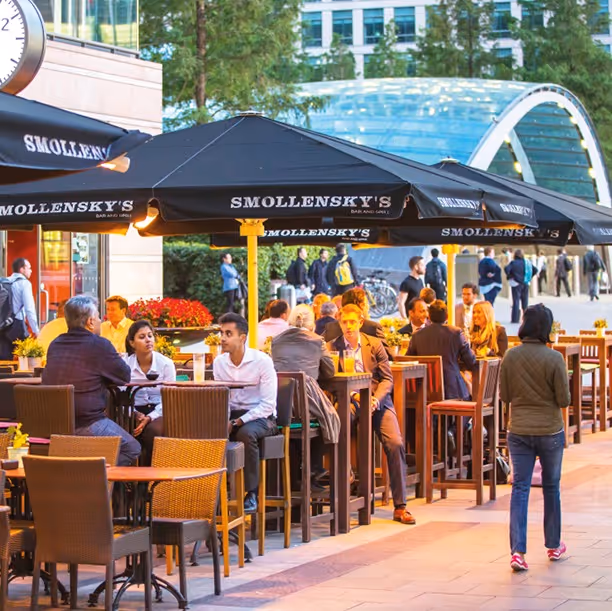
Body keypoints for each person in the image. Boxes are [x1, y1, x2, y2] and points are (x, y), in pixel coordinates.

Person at [327, 304, 415, 525]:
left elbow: (387, 378)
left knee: (395, 442)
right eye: (344, 322)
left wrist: (375, 398)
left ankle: (400, 505)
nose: (348, 326)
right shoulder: (331, 347)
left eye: (352, 321)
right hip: (350, 400)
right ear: (340, 323)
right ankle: (345, 485)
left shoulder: (373, 344)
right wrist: (354, 397)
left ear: (360, 321)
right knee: (339, 427)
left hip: (377, 401)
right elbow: (330, 381)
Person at [501, 304, 570, 572]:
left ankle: (517, 552)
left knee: (520, 488)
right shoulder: (555, 359)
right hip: (550, 431)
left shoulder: (510, 356)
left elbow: (505, 396)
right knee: (552, 487)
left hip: (518, 430)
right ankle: (553, 545)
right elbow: (563, 399)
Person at [42, 296, 140, 466]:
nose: (101, 320)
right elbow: (124, 376)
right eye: (99, 317)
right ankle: (93, 479)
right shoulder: (99, 345)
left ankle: (81, 476)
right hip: (87, 424)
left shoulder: (55, 344)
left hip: (54, 425)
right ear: (90, 321)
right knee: (131, 448)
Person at [213, 313, 278, 514]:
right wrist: (224, 420)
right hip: (233, 414)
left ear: (242, 337)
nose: (222, 338)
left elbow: (268, 404)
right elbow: (222, 398)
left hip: (261, 417)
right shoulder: (219, 362)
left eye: (228, 333)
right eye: (221, 333)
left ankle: (251, 494)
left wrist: (238, 421)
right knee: (205, 431)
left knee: (245, 434)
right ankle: (211, 494)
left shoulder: (262, 361)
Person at [271, 304, 340, 490]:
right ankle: (314, 469)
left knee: (305, 422)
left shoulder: (276, 341)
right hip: (305, 407)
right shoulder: (317, 341)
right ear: (312, 324)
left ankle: (297, 475)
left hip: (280, 407)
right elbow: (330, 371)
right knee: (327, 417)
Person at [124, 320, 176, 466]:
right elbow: (121, 398)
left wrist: (150, 417)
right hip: (133, 411)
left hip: (159, 410)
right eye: (142, 337)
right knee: (125, 431)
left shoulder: (165, 364)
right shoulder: (126, 365)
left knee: (153, 431)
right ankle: (125, 483)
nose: (148, 340)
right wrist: (135, 414)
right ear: (132, 342)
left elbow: (170, 399)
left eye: (150, 335)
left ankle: (149, 481)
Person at [407, 300, 477, 400]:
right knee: (470, 395)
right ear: (447, 317)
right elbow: (471, 360)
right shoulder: (456, 333)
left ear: (429, 317)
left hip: (425, 392)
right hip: (453, 391)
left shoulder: (417, 336)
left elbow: (407, 361)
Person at [323, 287, 392, 360]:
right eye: (366, 303)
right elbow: (388, 356)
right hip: (368, 370)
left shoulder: (330, 327)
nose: (368, 306)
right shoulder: (373, 327)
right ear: (362, 305)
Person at [0, 257, 40, 359]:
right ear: (22, 269)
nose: (31, 271)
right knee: (25, 356)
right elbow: (29, 309)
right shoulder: (24, 283)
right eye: (29, 268)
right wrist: (36, 330)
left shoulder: (4, 282)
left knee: (4, 357)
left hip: (3, 324)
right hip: (16, 325)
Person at [505, 250, 537, 324]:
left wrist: (510, 276)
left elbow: (506, 269)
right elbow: (535, 270)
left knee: (516, 301)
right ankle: (526, 319)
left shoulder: (513, 263)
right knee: (525, 302)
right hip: (525, 283)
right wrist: (529, 277)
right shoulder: (527, 263)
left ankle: (515, 319)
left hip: (516, 283)